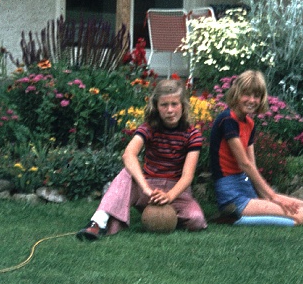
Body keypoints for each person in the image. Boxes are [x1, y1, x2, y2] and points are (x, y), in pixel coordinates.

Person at [76, 78, 207, 240]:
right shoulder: (149, 127)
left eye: (175, 104)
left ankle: (162, 216)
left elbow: (188, 175)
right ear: (156, 107)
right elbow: (129, 154)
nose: (170, 110)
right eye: (164, 105)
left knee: (196, 220)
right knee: (127, 173)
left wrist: (169, 197)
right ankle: (97, 223)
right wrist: (146, 188)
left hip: (176, 190)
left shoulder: (193, 134)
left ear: (183, 106)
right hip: (148, 188)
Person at [209, 70, 303, 226]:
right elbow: (244, 164)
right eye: (247, 95)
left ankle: (237, 216)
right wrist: (273, 197)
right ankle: (234, 217)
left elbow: (252, 166)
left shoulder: (249, 123)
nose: (252, 100)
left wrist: (268, 197)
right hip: (230, 192)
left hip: (245, 186)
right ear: (236, 93)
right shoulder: (227, 119)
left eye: (256, 96)